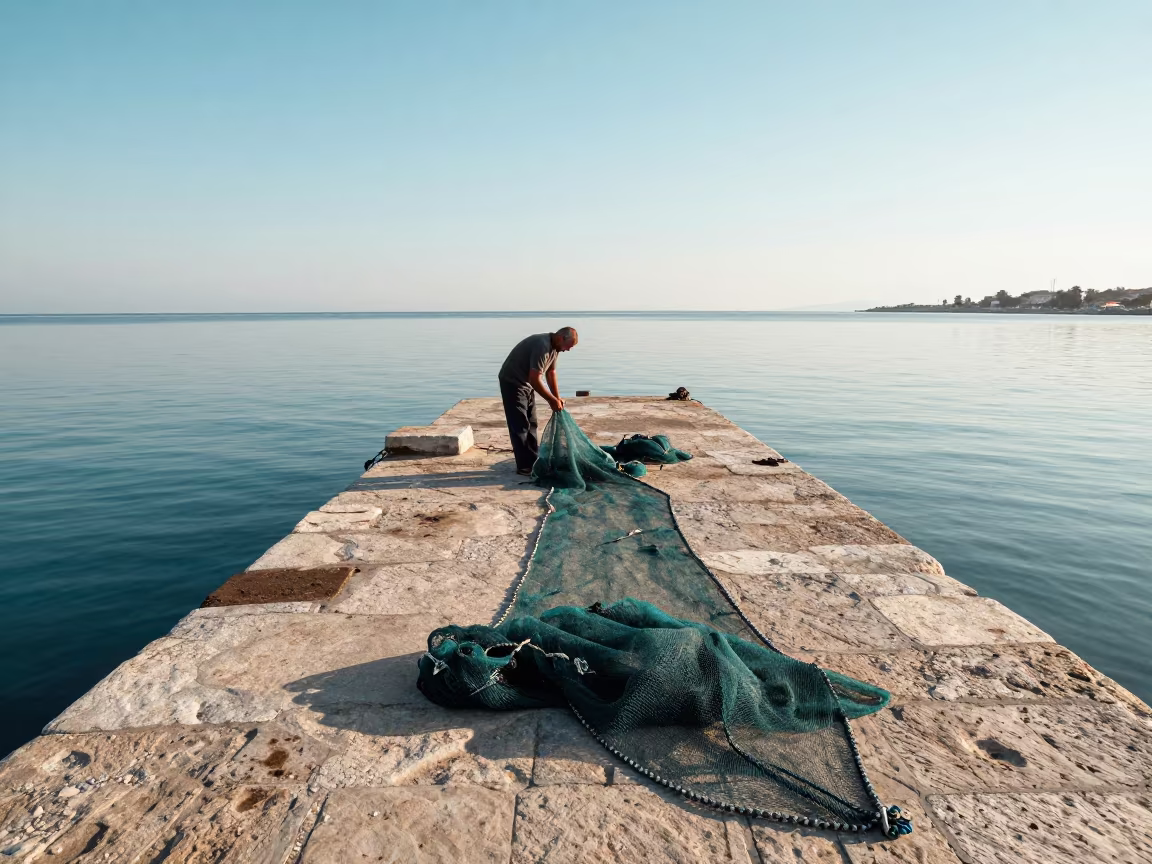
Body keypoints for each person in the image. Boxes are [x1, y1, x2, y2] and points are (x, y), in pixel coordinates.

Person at [498, 327, 579, 475]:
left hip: (526, 384)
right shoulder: (542, 345)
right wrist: (550, 400)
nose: (568, 350)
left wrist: (557, 397)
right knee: (520, 425)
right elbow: (534, 378)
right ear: (561, 338)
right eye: (569, 346)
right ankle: (524, 466)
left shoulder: (555, 349)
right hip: (512, 381)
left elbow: (551, 372)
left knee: (532, 423)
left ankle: (533, 459)